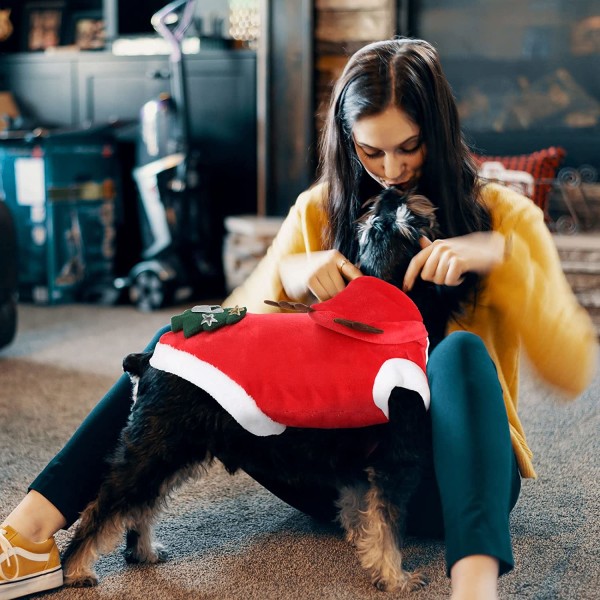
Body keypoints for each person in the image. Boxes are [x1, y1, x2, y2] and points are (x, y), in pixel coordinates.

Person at [0, 37, 596, 600]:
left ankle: (474, 586)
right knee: (179, 349)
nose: (391, 169)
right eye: (371, 151)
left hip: (449, 481)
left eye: (409, 147)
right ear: (346, 139)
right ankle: (28, 532)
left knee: (457, 354)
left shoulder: (505, 215)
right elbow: (234, 328)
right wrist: (288, 275)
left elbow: (569, 367)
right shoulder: (319, 209)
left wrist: (500, 255)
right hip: (335, 469)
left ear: (439, 132)